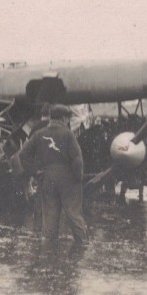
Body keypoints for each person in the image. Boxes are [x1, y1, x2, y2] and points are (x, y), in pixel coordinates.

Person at [18, 104, 88, 244]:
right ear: (64, 118)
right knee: (74, 214)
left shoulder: (39, 134)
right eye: (68, 118)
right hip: (68, 179)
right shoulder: (68, 134)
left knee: (49, 218)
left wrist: (35, 172)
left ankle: (49, 254)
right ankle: (82, 245)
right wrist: (78, 176)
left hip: (47, 178)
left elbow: (23, 154)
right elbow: (77, 159)